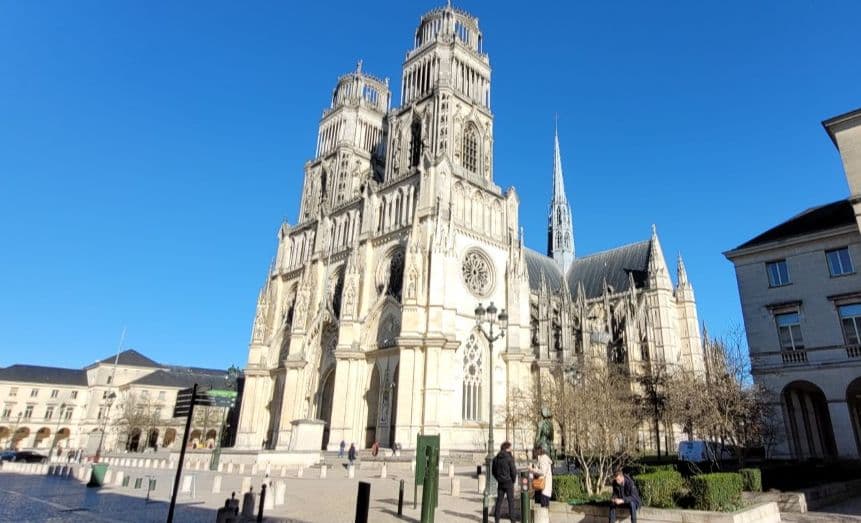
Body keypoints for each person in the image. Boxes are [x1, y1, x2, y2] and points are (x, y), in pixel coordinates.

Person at [491, 441, 518, 523]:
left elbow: (493, 471)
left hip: (500, 483)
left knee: (499, 502)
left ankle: (496, 520)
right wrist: (513, 480)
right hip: (509, 482)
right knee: (511, 502)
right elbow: (513, 471)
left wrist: (498, 478)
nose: (511, 449)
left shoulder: (496, 458)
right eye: (510, 447)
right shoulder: (509, 458)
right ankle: (512, 521)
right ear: (507, 448)